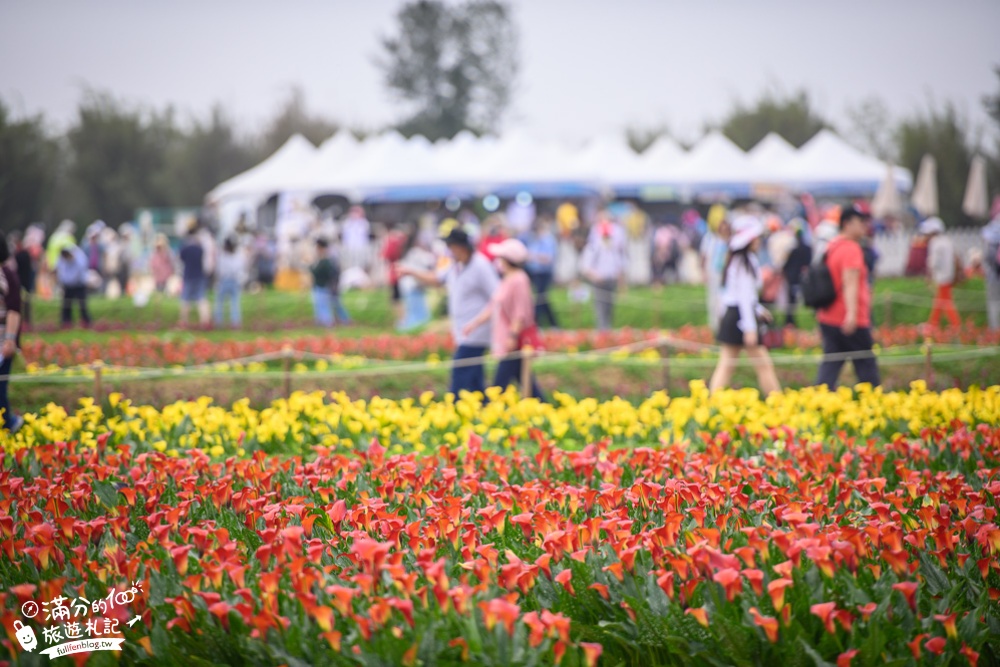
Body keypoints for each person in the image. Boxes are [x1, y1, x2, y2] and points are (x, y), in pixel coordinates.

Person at [400, 229, 499, 397]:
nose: (449, 250)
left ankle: (453, 407)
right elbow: (436, 279)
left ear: (461, 247)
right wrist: (411, 272)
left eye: (451, 246)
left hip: (476, 332)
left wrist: (477, 322)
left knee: (459, 373)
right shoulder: (454, 265)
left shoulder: (481, 266)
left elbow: (497, 297)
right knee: (475, 379)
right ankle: (482, 407)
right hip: (463, 330)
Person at [463, 238, 545, 400]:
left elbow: (520, 313)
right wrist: (474, 324)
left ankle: (491, 413)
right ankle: (545, 409)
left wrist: (512, 336)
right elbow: (493, 306)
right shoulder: (508, 278)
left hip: (514, 340)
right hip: (509, 340)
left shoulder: (519, 279)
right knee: (525, 381)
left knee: (500, 384)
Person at [708, 216, 781, 396]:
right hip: (741, 317)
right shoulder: (745, 261)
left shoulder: (736, 259)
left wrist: (758, 311)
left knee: (727, 365)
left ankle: (710, 405)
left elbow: (741, 295)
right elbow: (745, 297)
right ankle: (778, 403)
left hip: (735, 315)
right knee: (761, 365)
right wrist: (750, 328)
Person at [815, 205, 881, 389]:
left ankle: (818, 402)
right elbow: (850, 282)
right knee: (866, 366)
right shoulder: (851, 249)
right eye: (860, 222)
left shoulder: (833, 245)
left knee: (831, 364)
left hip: (829, 315)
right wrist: (852, 314)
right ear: (847, 224)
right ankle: (874, 405)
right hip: (850, 318)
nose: (864, 226)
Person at [580, 216, 627, 331]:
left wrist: (621, 280)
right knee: (600, 310)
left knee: (609, 310)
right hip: (599, 282)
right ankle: (602, 333)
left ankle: (607, 332)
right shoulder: (594, 246)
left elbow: (620, 263)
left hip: (611, 280)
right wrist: (595, 276)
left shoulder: (613, 247)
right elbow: (584, 266)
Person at [0, 236, 24, 432]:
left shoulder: (7, 275)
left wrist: (9, 339)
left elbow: (14, 310)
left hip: (1, 342)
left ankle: (8, 424)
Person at [922, 217, 960, 330]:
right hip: (948, 275)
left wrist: (929, 275)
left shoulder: (936, 243)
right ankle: (934, 322)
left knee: (945, 302)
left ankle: (954, 324)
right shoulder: (947, 241)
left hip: (941, 276)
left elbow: (934, 262)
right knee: (941, 301)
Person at [522, 217, 559, 328]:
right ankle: (550, 324)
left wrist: (534, 256)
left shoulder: (548, 240)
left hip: (544, 273)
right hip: (535, 273)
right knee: (541, 298)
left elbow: (548, 258)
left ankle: (539, 322)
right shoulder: (534, 239)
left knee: (540, 298)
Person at [397, 229, 436, 331]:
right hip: (414, 287)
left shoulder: (408, 252)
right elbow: (431, 261)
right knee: (419, 316)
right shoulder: (416, 252)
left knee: (412, 312)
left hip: (409, 287)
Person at [699, 215, 730, 332]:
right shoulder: (710, 239)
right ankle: (715, 328)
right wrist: (703, 273)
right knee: (713, 302)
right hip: (714, 275)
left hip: (727, 278)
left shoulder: (731, 242)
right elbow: (704, 257)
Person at [781, 222, 813, 327]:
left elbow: (787, 264)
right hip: (803, 277)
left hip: (793, 277)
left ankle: (790, 320)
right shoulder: (808, 248)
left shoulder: (794, 249)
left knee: (792, 300)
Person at [178, 226, 210, 328]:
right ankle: (205, 321)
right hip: (199, 275)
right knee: (201, 299)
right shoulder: (199, 248)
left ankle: (184, 321)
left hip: (188, 275)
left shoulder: (185, 248)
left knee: (185, 300)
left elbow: (181, 258)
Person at [214, 237, 246, 328]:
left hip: (225, 280)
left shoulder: (222, 256)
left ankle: (219, 322)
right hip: (233, 280)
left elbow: (219, 270)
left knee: (220, 302)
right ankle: (235, 322)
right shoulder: (237, 256)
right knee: (234, 302)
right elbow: (240, 269)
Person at [56, 244, 90, 328]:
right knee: (67, 304)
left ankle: (86, 320)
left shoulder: (79, 257)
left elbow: (81, 270)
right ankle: (66, 321)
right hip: (68, 285)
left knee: (82, 304)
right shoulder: (62, 259)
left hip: (79, 284)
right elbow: (60, 271)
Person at [9, 232, 35, 327]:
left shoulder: (23, 254)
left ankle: (26, 321)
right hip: (19, 281)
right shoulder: (20, 253)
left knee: (26, 302)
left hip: (24, 281)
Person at [983, 199, 1000, 330]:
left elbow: (988, 256)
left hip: (994, 276)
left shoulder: (991, 231)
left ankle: (994, 331)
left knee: (994, 303)